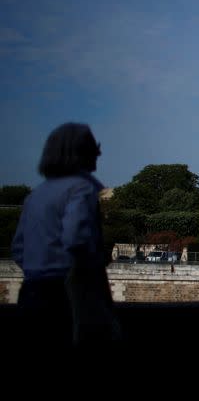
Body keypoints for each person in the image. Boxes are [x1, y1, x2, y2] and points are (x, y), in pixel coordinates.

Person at [12, 122, 119, 350]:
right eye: (93, 150)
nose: (98, 156)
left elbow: (18, 249)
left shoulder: (37, 194)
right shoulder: (81, 188)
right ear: (80, 154)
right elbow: (76, 239)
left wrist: (41, 267)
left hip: (30, 292)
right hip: (65, 297)